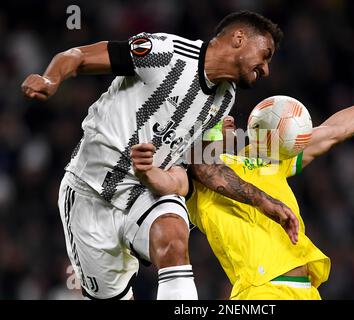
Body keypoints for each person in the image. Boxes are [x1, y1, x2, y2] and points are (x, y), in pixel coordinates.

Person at [21, 11, 299, 300]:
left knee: (174, 239)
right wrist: (50, 79)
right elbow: (78, 56)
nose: (266, 69)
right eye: (265, 55)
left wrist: (266, 204)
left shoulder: (225, 98)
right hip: (89, 194)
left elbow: (206, 167)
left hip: (148, 190)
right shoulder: (165, 52)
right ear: (239, 38)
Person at [133, 57, 354, 299]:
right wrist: (147, 170)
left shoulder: (268, 154)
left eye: (227, 115)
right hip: (262, 291)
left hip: (306, 290)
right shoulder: (199, 173)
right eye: (216, 119)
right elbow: (167, 183)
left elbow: (334, 131)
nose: (228, 120)